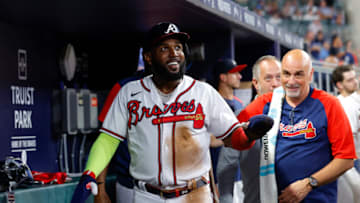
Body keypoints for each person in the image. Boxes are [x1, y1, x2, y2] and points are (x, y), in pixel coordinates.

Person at [71, 22, 272, 203]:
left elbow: (233, 137)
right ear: (148, 57)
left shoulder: (202, 92)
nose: (174, 53)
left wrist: (249, 136)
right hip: (145, 195)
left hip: (194, 194)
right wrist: (91, 174)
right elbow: (108, 140)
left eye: (178, 47)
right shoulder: (129, 93)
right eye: (164, 48)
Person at [237, 49, 356, 203]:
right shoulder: (267, 102)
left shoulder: (329, 104)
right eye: (286, 74)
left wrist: (308, 184)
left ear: (310, 75)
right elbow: (230, 133)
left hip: (318, 199)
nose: (291, 81)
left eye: (298, 74)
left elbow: (346, 159)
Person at [212, 58, 247, 203]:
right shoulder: (213, 102)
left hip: (240, 175)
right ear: (223, 77)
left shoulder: (239, 103)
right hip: (221, 176)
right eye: (234, 73)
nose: (240, 76)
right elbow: (210, 141)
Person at [331, 65, 360, 203]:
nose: (355, 82)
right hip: (350, 160)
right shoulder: (340, 104)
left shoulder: (355, 100)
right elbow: (349, 136)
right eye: (349, 80)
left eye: (354, 78)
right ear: (339, 85)